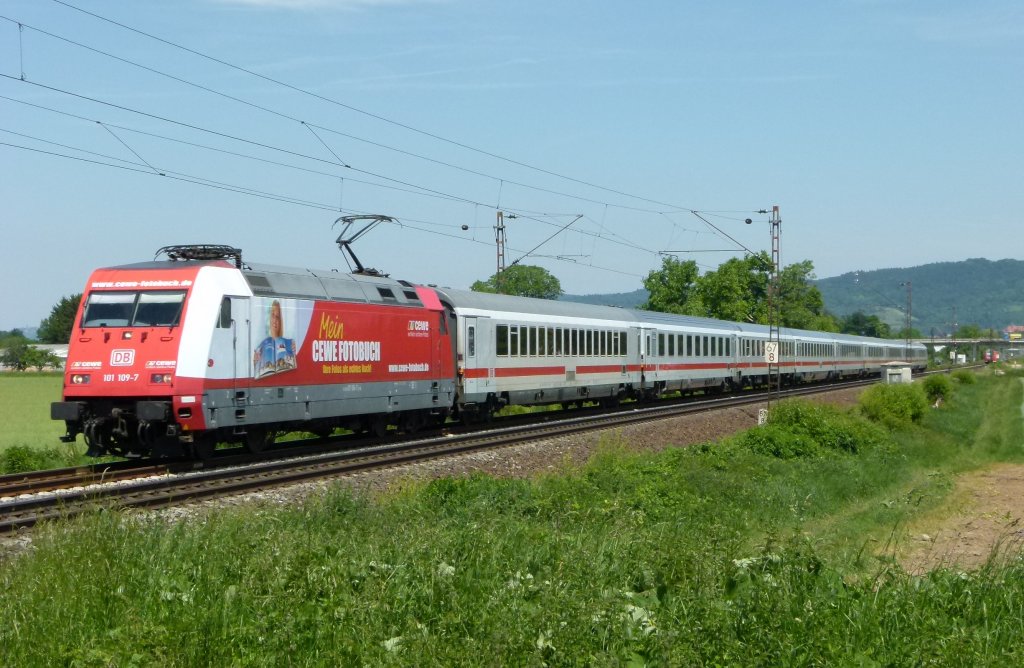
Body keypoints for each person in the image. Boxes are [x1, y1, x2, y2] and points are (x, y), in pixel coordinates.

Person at [253, 300, 296, 377]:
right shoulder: (263, 343)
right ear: (269, 317)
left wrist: (293, 354)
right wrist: (255, 361)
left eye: (277, 317)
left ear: (280, 321)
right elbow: (255, 368)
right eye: (273, 315)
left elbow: (293, 363)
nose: (275, 321)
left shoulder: (288, 342)